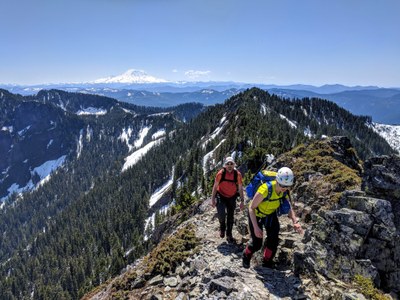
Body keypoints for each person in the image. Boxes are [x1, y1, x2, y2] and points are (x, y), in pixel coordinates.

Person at [242, 167, 303, 268]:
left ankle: (267, 261)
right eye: (282, 185)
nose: (284, 188)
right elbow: (251, 208)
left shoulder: (284, 191)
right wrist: (256, 227)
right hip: (256, 214)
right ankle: (246, 255)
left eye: (287, 186)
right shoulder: (265, 189)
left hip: (270, 214)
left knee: (273, 239)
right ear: (277, 180)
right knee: (257, 243)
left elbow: (289, 207)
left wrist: (295, 221)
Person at [211, 156, 245, 243]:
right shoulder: (220, 174)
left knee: (230, 217)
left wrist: (242, 201)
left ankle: (229, 234)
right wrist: (213, 199)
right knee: (221, 214)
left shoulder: (237, 175)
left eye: (231, 164)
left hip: (232, 197)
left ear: (234, 165)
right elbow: (215, 186)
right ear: (225, 165)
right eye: (228, 164)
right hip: (221, 196)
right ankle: (222, 227)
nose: (229, 165)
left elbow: (240, 188)